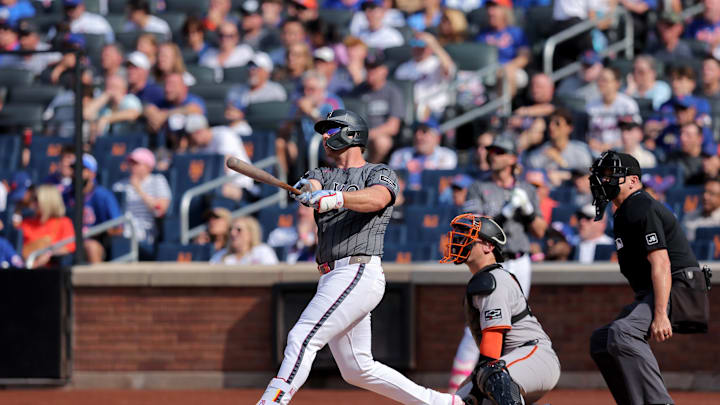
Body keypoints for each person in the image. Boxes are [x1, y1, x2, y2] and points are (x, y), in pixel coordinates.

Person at [257, 109, 463, 405]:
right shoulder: (322, 173)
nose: (325, 138)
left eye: (331, 131)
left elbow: (379, 198)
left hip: (358, 269)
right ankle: (443, 403)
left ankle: (271, 401)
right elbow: (314, 184)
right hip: (331, 275)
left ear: (351, 134)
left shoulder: (378, 172)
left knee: (301, 337)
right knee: (357, 369)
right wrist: (310, 191)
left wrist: (336, 198)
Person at [588, 150, 703, 405]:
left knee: (623, 331)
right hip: (660, 289)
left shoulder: (640, 204)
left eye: (611, 175)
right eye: (602, 175)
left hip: (679, 287)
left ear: (633, 180)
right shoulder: (624, 210)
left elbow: (661, 261)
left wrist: (660, 313)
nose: (603, 181)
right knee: (601, 340)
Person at [449, 135, 547, 393]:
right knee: (483, 325)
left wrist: (526, 210)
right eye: (491, 150)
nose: (493, 155)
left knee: (510, 324)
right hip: (489, 262)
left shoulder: (525, 189)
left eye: (500, 151)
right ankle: (456, 391)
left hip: (519, 261)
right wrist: (505, 211)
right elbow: (474, 228)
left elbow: (539, 231)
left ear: (513, 158)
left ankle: (501, 385)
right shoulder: (478, 187)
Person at [442, 214, 560, 405]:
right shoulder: (483, 280)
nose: (459, 241)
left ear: (489, 246)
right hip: (511, 363)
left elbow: (492, 343)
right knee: (461, 400)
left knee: (492, 376)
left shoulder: (493, 280)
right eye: (458, 236)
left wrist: (479, 379)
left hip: (535, 356)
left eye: (468, 236)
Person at [63, 154, 122, 264]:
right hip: (67, 240)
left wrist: (96, 231)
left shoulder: (103, 196)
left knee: (90, 247)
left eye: (82, 169)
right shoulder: (66, 195)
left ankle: (97, 281)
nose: (76, 173)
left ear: (92, 174)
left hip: (95, 242)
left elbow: (118, 228)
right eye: (74, 169)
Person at [349, 49, 404, 163]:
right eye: (368, 68)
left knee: (382, 142)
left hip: (377, 136)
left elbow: (393, 127)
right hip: (357, 135)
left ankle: (369, 168)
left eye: (374, 68)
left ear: (384, 70)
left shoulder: (393, 92)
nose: (370, 72)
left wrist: (367, 135)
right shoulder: (358, 91)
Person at [183, 114, 253, 200]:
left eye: (189, 136)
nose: (188, 140)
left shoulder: (224, 134)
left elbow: (223, 167)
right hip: (216, 185)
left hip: (241, 185)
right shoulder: (198, 147)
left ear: (199, 132)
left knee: (214, 191)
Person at [112, 148, 171, 246]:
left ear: (148, 166)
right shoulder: (119, 185)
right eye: (130, 162)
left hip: (145, 231)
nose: (132, 166)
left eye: (136, 163)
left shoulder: (158, 181)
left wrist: (139, 190)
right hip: (121, 227)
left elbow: (161, 209)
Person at [395, 32, 456, 121]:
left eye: (422, 46)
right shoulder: (403, 68)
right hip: (410, 110)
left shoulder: (437, 63)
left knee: (423, 109)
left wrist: (433, 44)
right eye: (415, 45)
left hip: (436, 110)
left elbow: (449, 69)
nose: (418, 49)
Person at [586, 67, 641, 155]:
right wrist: (591, 142)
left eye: (605, 80)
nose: (601, 83)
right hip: (595, 151)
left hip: (621, 149)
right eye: (599, 80)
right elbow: (587, 133)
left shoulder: (627, 104)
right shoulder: (591, 105)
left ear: (617, 83)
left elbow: (634, 133)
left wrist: (611, 145)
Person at [388, 119, 457, 189]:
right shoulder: (399, 154)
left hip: (432, 196)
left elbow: (443, 184)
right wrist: (405, 169)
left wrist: (420, 167)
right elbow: (390, 180)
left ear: (437, 137)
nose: (418, 136)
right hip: (404, 195)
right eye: (415, 131)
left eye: (424, 131)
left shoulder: (447, 155)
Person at [19, 185, 75, 268]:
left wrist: (48, 253)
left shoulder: (64, 222)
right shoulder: (25, 223)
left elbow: (69, 248)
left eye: (36, 199)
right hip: (27, 269)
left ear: (47, 201)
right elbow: (17, 251)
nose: (32, 202)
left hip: (53, 271)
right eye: (32, 199)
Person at [526, 108, 593, 175]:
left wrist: (560, 161)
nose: (551, 127)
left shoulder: (580, 151)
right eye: (550, 123)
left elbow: (587, 175)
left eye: (557, 123)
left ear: (569, 128)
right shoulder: (542, 151)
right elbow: (531, 172)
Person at [83, 74, 143, 138]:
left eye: (114, 87)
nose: (110, 91)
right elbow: (85, 114)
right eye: (108, 87)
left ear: (123, 89)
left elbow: (134, 114)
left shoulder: (129, 99)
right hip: (106, 143)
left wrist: (106, 119)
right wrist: (104, 96)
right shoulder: (105, 105)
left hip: (127, 141)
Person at [209, 216, 279, 265]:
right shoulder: (220, 255)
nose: (232, 233)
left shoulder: (263, 251)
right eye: (230, 229)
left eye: (239, 230)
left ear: (250, 234)